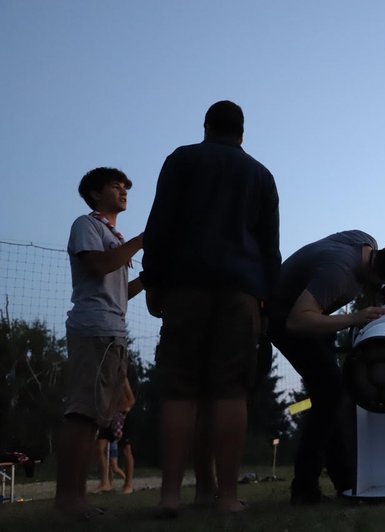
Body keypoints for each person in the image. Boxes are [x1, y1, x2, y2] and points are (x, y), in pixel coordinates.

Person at [141, 100, 280, 515]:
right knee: (229, 391)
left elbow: (160, 224)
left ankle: (169, 496)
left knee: (181, 391)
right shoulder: (261, 175)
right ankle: (227, 498)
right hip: (239, 295)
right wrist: (266, 300)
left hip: (185, 289)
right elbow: (269, 248)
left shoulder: (181, 160)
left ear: (205, 127)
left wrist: (154, 281)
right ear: (242, 132)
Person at [270, 230, 385, 504]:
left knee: (333, 394)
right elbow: (297, 321)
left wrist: (378, 293)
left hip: (311, 314)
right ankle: (305, 489)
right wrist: (355, 318)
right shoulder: (339, 274)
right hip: (282, 317)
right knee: (329, 393)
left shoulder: (364, 242)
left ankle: (346, 483)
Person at [54, 167, 144, 517]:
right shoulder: (86, 226)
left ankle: (77, 499)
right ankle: (68, 500)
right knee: (82, 414)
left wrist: (149, 279)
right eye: (115, 186)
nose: (124, 192)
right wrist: (141, 240)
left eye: (126, 188)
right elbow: (97, 267)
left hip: (112, 331)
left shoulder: (113, 236)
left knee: (94, 419)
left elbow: (122, 293)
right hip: (93, 330)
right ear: (94, 193)